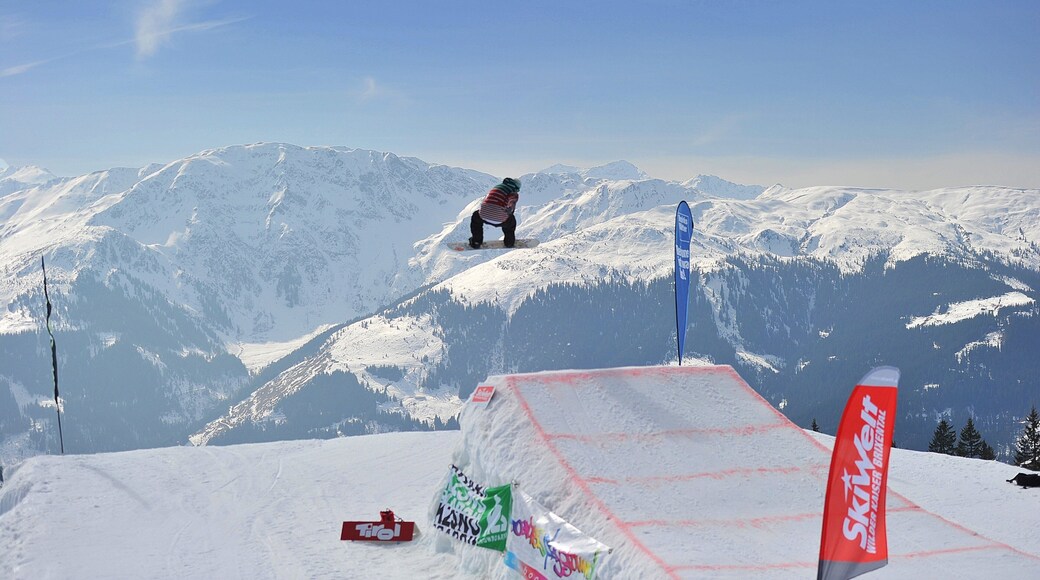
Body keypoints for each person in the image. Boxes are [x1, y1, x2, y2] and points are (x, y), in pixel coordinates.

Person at [469, 177, 521, 248]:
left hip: (483, 215)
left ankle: (476, 242)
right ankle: (509, 243)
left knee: (476, 217)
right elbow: (511, 206)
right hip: (500, 218)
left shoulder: (496, 188)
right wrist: (509, 213)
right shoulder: (513, 193)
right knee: (511, 222)